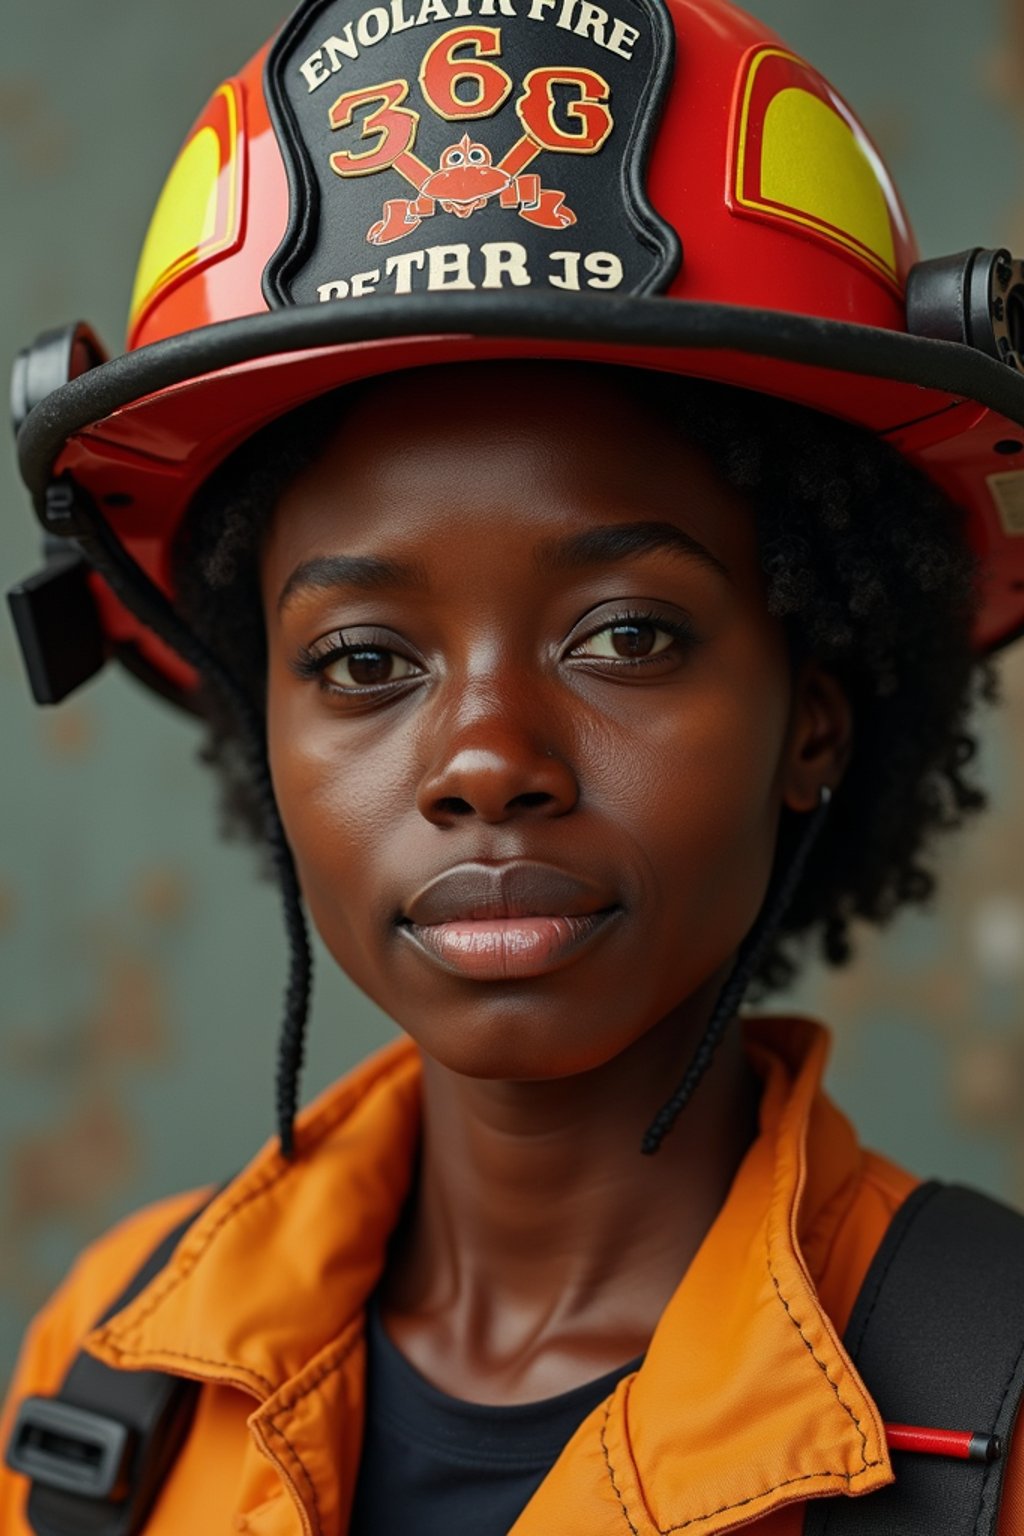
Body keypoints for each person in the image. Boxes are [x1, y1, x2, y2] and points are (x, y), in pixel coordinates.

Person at [3, 0, 1024, 1532]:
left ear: (814, 715)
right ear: (259, 726)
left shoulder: (995, 1407)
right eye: (364, 663)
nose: (487, 764)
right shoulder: (106, 1375)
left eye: (626, 637)